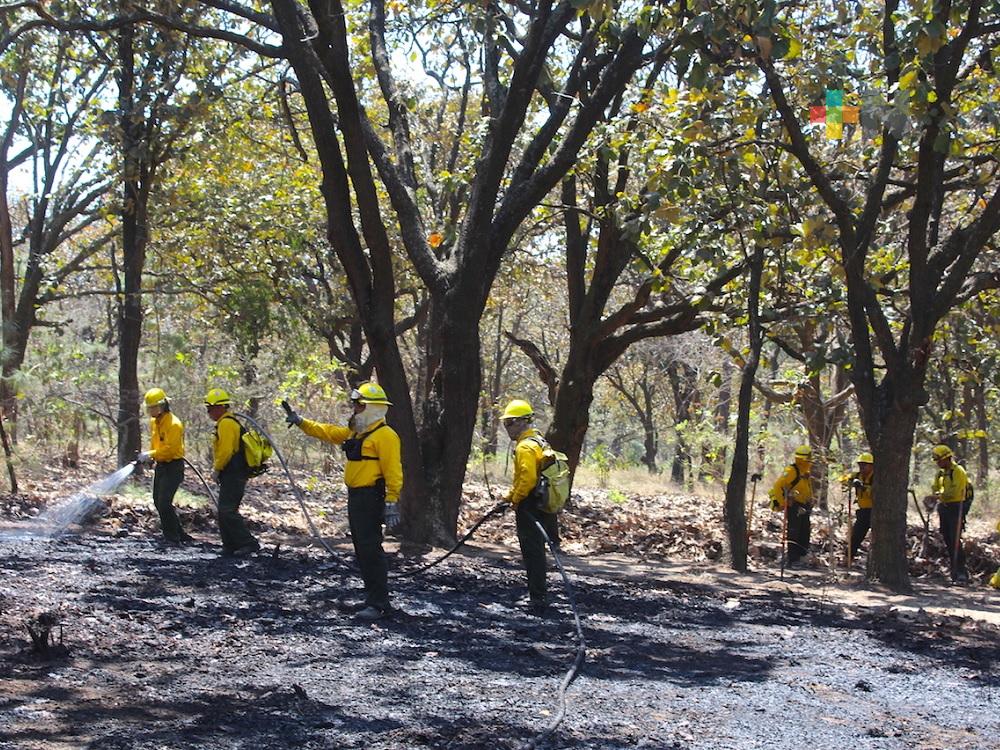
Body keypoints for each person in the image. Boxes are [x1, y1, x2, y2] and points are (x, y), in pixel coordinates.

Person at [283, 382, 402, 620]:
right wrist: (301, 422)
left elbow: (393, 471)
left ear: (371, 407)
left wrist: (392, 500)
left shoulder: (386, 436)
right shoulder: (357, 433)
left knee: (371, 549)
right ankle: (372, 596)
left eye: (358, 405)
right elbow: (328, 432)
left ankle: (379, 604)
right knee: (362, 548)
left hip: (371, 497)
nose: (354, 409)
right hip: (356, 497)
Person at [499, 398, 558, 615]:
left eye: (510, 423)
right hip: (542, 503)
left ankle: (537, 598)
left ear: (522, 422)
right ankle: (538, 594)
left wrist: (515, 500)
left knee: (532, 552)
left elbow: (526, 480)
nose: (507, 429)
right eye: (506, 424)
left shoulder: (525, 447)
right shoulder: (539, 441)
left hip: (530, 505)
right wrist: (508, 497)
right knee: (538, 551)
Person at [204, 388, 260, 557]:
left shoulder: (227, 424)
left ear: (220, 407)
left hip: (234, 473)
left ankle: (248, 543)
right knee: (223, 510)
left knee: (227, 510)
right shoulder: (225, 422)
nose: (209, 412)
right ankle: (230, 545)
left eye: (211, 408)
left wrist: (217, 469)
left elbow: (226, 451)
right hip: (230, 473)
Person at [136, 388, 192, 544]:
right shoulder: (155, 422)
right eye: (149, 407)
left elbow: (170, 450)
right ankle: (179, 533)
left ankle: (172, 538)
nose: (150, 411)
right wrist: (150, 458)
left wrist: (151, 454)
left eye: (153, 407)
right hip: (161, 466)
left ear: (162, 405)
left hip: (173, 467)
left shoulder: (174, 424)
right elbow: (156, 443)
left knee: (164, 502)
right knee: (157, 500)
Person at [924, 444, 971, 582]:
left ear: (948, 458)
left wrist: (939, 496)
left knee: (954, 537)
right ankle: (953, 569)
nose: (938, 463)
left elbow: (956, 491)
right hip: (944, 507)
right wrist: (933, 497)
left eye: (940, 460)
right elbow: (935, 488)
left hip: (957, 506)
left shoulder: (958, 471)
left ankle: (961, 571)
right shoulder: (940, 473)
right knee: (947, 537)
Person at [768, 445, 815, 567]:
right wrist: (783, 502)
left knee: (805, 530)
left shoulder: (805, 471)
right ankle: (792, 559)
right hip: (794, 505)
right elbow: (778, 486)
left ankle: (802, 556)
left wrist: (811, 498)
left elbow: (806, 486)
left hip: (805, 505)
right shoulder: (791, 471)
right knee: (794, 530)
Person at [847, 452, 874, 560]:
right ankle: (848, 558)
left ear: (871, 465)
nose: (862, 467)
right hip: (863, 511)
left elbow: (876, 494)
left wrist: (863, 488)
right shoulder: (857, 476)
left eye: (864, 465)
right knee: (856, 536)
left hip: (875, 512)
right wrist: (850, 481)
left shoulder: (876, 477)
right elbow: (844, 480)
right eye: (860, 465)